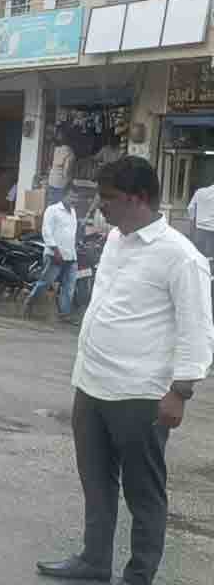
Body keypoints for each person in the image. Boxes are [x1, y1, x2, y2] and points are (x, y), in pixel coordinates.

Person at [37, 156, 212, 585]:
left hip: (141, 395)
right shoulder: (116, 238)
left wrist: (180, 391)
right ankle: (94, 562)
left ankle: (139, 575)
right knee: (96, 482)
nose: (101, 207)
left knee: (143, 493)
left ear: (138, 199)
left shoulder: (181, 256)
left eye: (109, 199)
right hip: (93, 384)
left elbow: (198, 330)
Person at [23, 189, 80, 324]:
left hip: (71, 255)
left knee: (69, 286)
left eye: (76, 198)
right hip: (55, 255)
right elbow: (46, 231)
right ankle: (29, 302)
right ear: (64, 195)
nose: (74, 200)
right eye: (72, 196)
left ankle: (65, 314)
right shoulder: (52, 210)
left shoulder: (73, 212)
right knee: (45, 283)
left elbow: (70, 233)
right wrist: (55, 250)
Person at [187, 179, 214, 257]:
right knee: (211, 259)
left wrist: (192, 225)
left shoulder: (199, 192)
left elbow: (190, 208)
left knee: (198, 256)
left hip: (199, 230)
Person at [48, 131, 76, 205]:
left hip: (51, 180)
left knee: (51, 205)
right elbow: (66, 171)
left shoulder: (56, 149)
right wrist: (70, 183)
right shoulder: (70, 152)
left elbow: (50, 162)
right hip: (60, 183)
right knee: (59, 207)